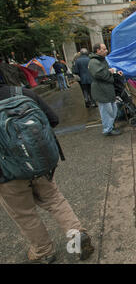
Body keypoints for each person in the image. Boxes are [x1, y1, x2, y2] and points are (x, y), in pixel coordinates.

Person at [0, 82, 95, 264]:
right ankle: (77, 236)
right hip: (40, 164)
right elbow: (53, 119)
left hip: (8, 175)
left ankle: (44, 251)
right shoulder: (23, 93)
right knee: (54, 199)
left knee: (25, 213)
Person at [88, 43, 123, 136]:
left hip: (106, 89)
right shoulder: (94, 62)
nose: (106, 50)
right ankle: (107, 129)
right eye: (104, 49)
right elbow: (99, 74)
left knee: (112, 109)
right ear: (98, 50)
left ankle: (110, 126)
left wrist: (114, 72)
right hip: (101, 90)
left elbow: (103, 72)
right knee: (106, 111)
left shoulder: (101, 60)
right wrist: (109, 72)